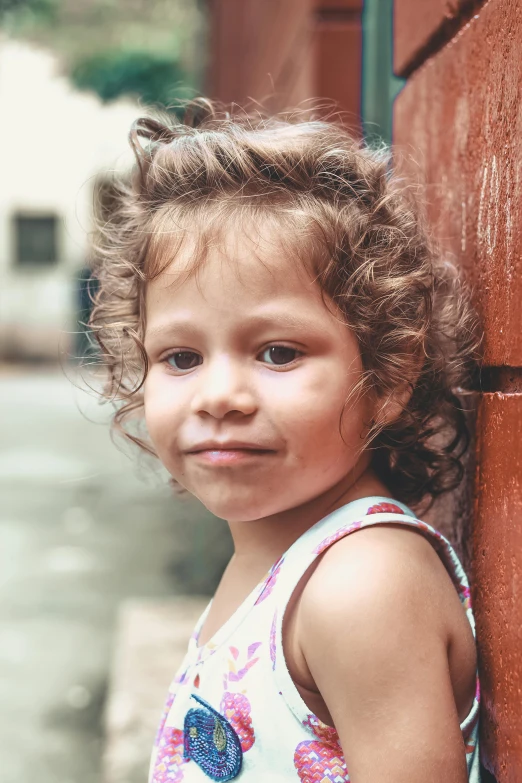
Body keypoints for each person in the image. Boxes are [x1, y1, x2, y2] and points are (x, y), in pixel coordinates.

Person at [90, 98, 482, 782]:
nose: (219, 396)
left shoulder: (362, 585)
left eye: (277, 352)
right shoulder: (275, 548)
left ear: (386, 375)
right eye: (181, 358)